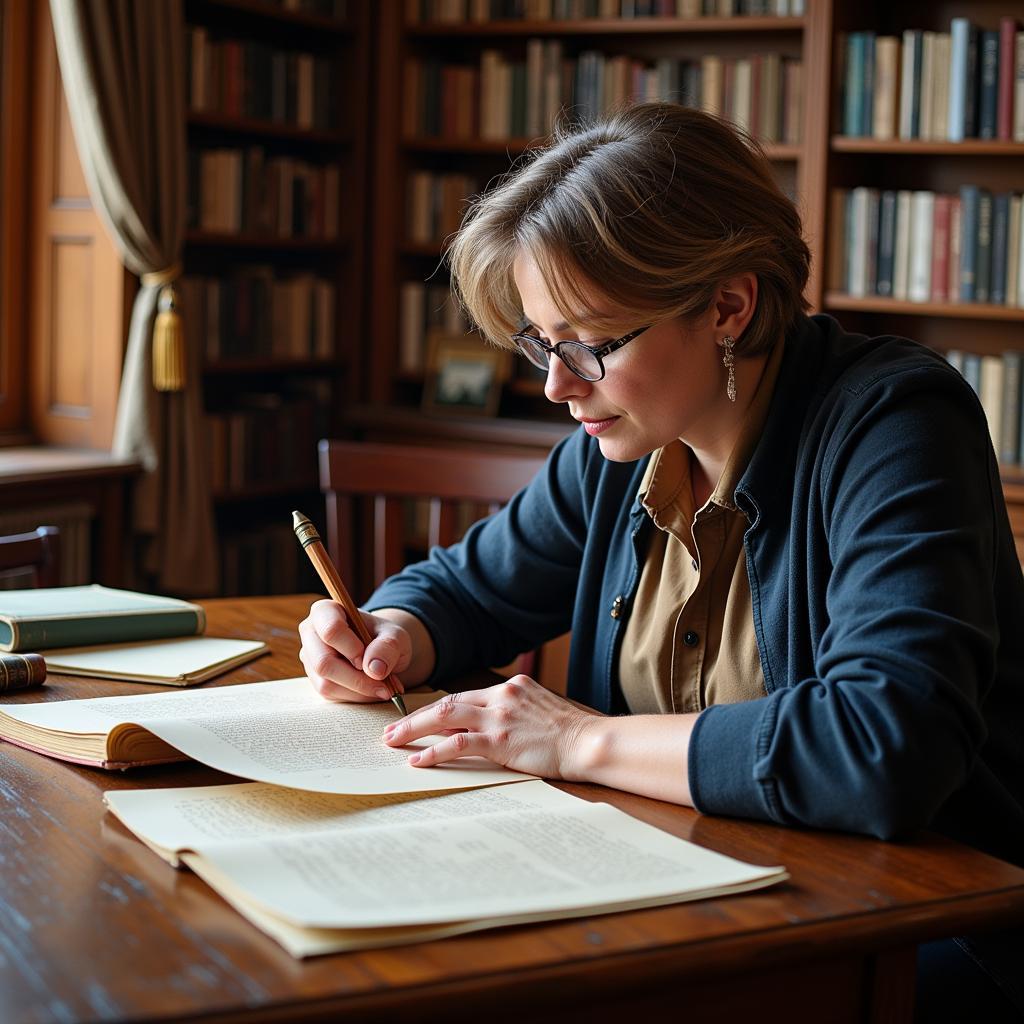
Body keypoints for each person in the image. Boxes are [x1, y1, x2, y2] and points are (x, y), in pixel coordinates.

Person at [299, 103, 1024, 1019]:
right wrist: (389, 632)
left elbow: (885, 748)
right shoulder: (628, 444)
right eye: (541, 343)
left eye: (589, 344)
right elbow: (462, 589)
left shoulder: (896, 424)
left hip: (921, 929)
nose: (557, 385)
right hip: (681, 895)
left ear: (728, 304)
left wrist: (575, 740)